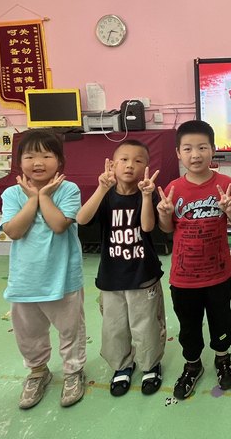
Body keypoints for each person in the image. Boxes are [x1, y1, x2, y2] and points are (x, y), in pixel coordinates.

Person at [156, 120, 231, 400]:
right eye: (188, 149)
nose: (195, 155)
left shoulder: (226, 184)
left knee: (222, 321)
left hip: (219, 273)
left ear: (213, 150)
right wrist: (163, 214)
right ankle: (192, 364)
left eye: (202, 147)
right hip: (183, 276)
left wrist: (230, 209)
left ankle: (222, 358)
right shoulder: (173, 188)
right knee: (189, 326)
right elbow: (167, 229)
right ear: (178, 153)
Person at [0, 129, 86, 410]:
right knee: (29, 333)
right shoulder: (12, 194)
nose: (38, 162)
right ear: (19, 162)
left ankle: (73, 371)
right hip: (25, 280)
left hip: (63, 278)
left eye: (46, 156)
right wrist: (32, 199)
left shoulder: (69, 190)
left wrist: (44, 197)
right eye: (30, 156)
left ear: (59, 161)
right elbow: (14, 231)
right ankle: (38, 372)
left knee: (70, 330)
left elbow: (59, 225)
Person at [76, 140, 166, 398]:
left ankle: (150, 365)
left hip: (143, 274)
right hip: (111, 277)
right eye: (123, 160)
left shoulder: (147, 193)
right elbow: (82, 219)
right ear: (112, 164)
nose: (130, 165)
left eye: (138, 161)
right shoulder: (105, 195)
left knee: (146, 325)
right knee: (114, 326)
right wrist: (102, 188)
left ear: (146, 166)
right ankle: (122, 366)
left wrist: (147, 196)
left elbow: (147, 227)